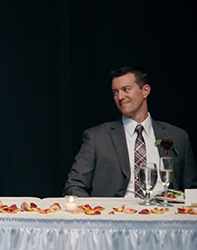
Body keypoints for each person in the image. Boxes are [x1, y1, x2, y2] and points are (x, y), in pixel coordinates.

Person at [64, 66, 197, 197]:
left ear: (145, 91)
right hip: (115, 215)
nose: (120, 97)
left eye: (126, 89)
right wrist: (96, 215)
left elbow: (191, 191)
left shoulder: (179, 137)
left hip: (165, 215)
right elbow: (74, 186)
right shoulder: (97, 137)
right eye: (115, 92)